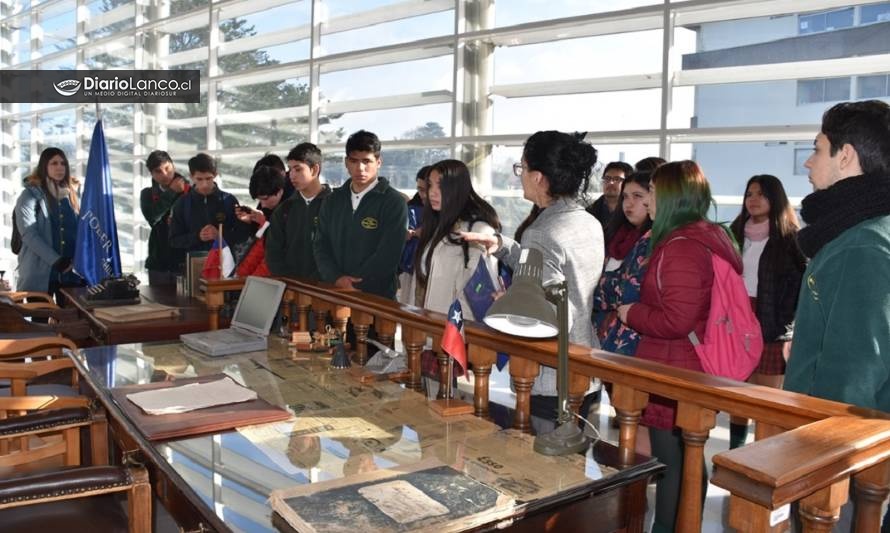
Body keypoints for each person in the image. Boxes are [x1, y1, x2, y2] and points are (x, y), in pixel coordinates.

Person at [616, 160, 740, 533]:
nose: (647, 198)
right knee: (687, 454)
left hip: (676, 365)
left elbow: (676, 320)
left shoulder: (682, 245)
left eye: (651, 191)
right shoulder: (703, 235)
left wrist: (630, 312)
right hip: (683, 362)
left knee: (671, 461)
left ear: (669, 196)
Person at [462, 130, 603, 429]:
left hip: (551, 373)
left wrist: (514, 304)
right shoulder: (587, 220)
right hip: (585, 362)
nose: (520, 176)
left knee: (548, 470)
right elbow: (549, 269)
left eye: (521, 168)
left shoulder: (541, 230)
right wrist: (502, 246)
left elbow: (551, 310)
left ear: (538, 177)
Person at [785, 100, 890, 409]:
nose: (807, 163)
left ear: (845, 156)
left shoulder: (861, 244)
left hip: (830, 436)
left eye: (817, 149)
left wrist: (820, 449)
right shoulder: (864, 230)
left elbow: (853, 377)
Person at [727, 174, 806, 449]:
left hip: (772, 322)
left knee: (767, 398)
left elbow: (799, 286)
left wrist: (784, 322)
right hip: (737, 319)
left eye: (761, 194)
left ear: (775, 199)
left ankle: (764, 458)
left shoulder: (790, 238)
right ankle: (734, 452)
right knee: (738, 393)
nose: (754, 199)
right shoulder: (732, 233)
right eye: (750, 194)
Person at [314, 130, 408, 299]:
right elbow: (320, 245)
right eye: (354, 161)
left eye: (367, 161)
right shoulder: (332, 201)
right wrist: (337, 278)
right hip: (335, 292)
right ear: (346, 162)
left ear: (378, 162)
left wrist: (354, 283)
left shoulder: (393, 202)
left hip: (376, 298)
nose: (360, 168)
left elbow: (389, 254)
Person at [409, 159, 500, 319]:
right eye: (430, 185)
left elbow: (481, 292)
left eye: (441, 186)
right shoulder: (437, 225)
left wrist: (454, 331)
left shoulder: (478, 230)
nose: (432, 192)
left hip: (456, 333)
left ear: (457, 188)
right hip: (427, 328)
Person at [593, 171, 653, 356]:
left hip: (631, 342)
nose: (629, 203)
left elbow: (627, 292)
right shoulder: (615, 234)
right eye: (625, 196)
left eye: (638, 196)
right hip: (601, 334)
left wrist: (592, 287)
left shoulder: (652, 241)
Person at [14, 147, 84, 302]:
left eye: (63, 163)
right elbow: (29, 234)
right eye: (54, 163)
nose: (59, 167)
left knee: (71, 323)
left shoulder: (74, 194)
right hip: (40, 273)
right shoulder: (29, 195)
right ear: (44, 166)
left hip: (71, 274)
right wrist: (56, 260)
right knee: (40, 323)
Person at [266, 142, 332, 280]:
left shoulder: (336, 206)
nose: (292, 176)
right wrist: (288, 282)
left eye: (298, 169)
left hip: (327, 288)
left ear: (314, 170)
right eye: (290, 170)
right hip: (292, 288)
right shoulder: (284, 210)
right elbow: (273, 253)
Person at [169, 153, 250, 253]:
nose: (204, 185)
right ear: (191, 176)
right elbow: (174, 241)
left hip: (225, 263)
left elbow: (241, 236)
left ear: (215, 175)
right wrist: (197, 236)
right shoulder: (181, 204)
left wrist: (220, 236)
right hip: (194, 263)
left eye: (208, 178)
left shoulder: (229, 200)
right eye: (199, 179)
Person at [140, 150, 190, 285]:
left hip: (184, 261)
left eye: (167, 168)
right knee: (157, 302)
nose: (165, 174)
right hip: (158, 262)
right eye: (158, 171)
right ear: (151, 174)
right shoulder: (147, 194)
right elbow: (152, 218)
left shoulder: (191, 190)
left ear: (173, 165)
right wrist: (172, 192)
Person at [232, 165, 288, 277]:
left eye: (265, 199)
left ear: (280, 191)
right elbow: (257, 247)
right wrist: (252, 221)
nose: (263, 204)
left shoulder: (290, 211)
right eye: (259, 200)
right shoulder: (266, 208)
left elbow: (273, 252)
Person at [397, 165, 430, 305]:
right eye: (420, 189)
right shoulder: (412, 206)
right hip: (409, 266)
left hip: (429, 271)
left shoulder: (445, 214)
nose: (424, 195)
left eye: (426, 190)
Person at [586, 161, 633, 227]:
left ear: (628, 183)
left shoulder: (633, 212)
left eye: (617, 179)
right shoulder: (589, 212)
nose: (611, 182)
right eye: (607, 178)